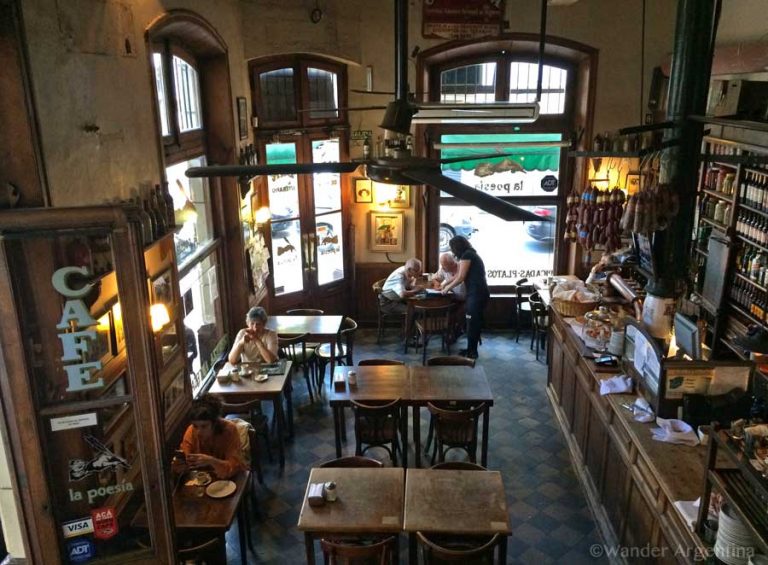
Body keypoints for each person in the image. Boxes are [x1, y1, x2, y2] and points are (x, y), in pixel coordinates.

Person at [441, 236, 489, 359]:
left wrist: (446, 288)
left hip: (477, 294)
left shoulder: (467, 255)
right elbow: (458, 275)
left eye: (452, 248)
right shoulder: (470, 253)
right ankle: (470, 349)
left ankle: (472, 352)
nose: (452, 251)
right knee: (471, 322)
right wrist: (445, 284)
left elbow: (461, 277)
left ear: (457, 247)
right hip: (476, 293)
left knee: (472, 322)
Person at [177, 395, 246, 479]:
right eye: (195, 426)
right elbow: (186, 458)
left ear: (215, 423)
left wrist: (211, 461)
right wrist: (181, 466)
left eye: (204, 426)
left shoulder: (229, 430)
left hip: (230, 479)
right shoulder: (191, 431)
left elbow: (235, 466)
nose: (198, 432)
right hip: (204, 478)